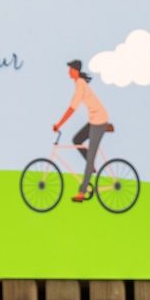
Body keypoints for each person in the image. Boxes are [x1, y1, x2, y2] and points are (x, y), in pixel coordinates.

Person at [50, 59, 116, 202]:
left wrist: (59, 124)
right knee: (76, 140)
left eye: (70, 69)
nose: (68, 71)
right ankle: (91, 165)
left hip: (98, 121)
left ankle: (82, 193)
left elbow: (72, 108)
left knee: (90, 159)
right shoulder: (79, 84)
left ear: (75, 71)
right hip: (94, 119)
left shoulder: (80, 84)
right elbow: (73, 105)